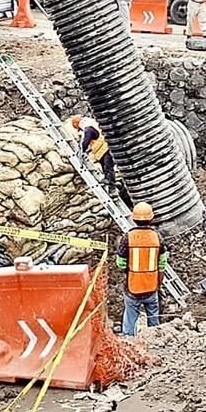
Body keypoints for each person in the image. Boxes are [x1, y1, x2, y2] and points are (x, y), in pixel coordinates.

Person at [115, 202, 169, 336]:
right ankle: (155, 342)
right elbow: (162, 265)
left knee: (130, 320)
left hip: (133, 288)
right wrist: (158, 285)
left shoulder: (127, 238)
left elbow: (120, 264)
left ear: (133, 219)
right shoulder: (158, 238)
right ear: (151, 219)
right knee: (154, 321)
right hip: (151, 288)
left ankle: (129, 342)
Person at [71, 115, 116, 188]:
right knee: (105, 166)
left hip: (104, 148)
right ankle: (110, 181)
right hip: (102, 149)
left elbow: (86, 140)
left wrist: (82, 150)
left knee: (108, 166)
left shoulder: (88, 129)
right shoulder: (91, 124)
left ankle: (111, 181)